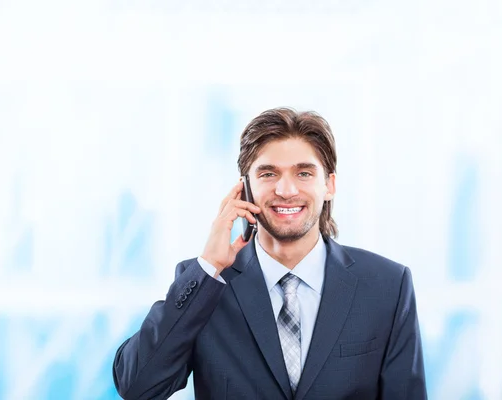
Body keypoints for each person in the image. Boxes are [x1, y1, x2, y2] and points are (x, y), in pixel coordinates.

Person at [112, 108, 427, 400]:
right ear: (245, 188)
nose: (286, 190)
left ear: (329, 185)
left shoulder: (387, 286)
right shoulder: (206, 284)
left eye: (304, 173)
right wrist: (208, 267)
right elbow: (137, 386)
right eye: (268, 174)